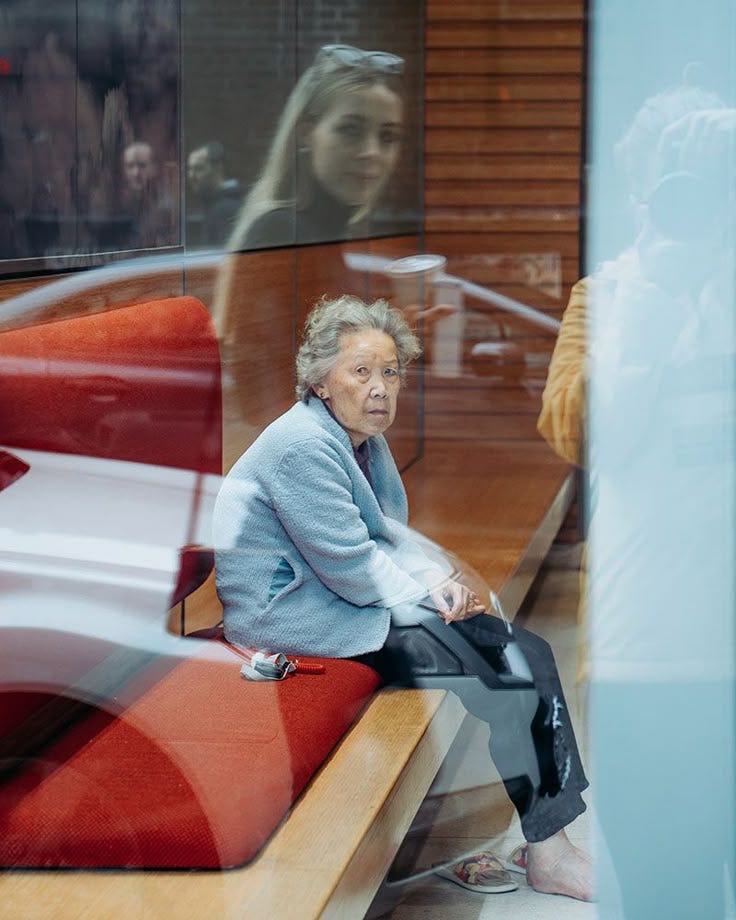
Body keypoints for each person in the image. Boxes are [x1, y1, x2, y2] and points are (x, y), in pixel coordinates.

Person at [214, 295, 594, 901]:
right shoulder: (301, 446)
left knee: (519, 656)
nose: (380, 389)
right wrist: (430, 591)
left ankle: (551, 844)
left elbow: (388, 534)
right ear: (319, 379)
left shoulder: (358, 437)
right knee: (513, 663)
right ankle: (552, 853)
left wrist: (443, 582)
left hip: (341, 602)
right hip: (298, 620)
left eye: (390, 372)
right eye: (360, 371)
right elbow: (352, 566)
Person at [538, 79, 736, 918]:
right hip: (646, 647)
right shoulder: (608, 296)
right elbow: (573, 430)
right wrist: (655, 288)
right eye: (672, 182)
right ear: (637, 194)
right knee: (667, 892)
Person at [226, 43, 404, 252]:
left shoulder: (330, 232)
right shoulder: (281, 231)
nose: (371, 152)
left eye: (387, 136)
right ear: (305, 133)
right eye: (351, 130)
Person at [186, 141, 243, 247]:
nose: (191, 175)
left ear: (218, 168)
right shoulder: (212, 203)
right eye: (190, 169)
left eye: (199, 168)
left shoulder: (226, 209)